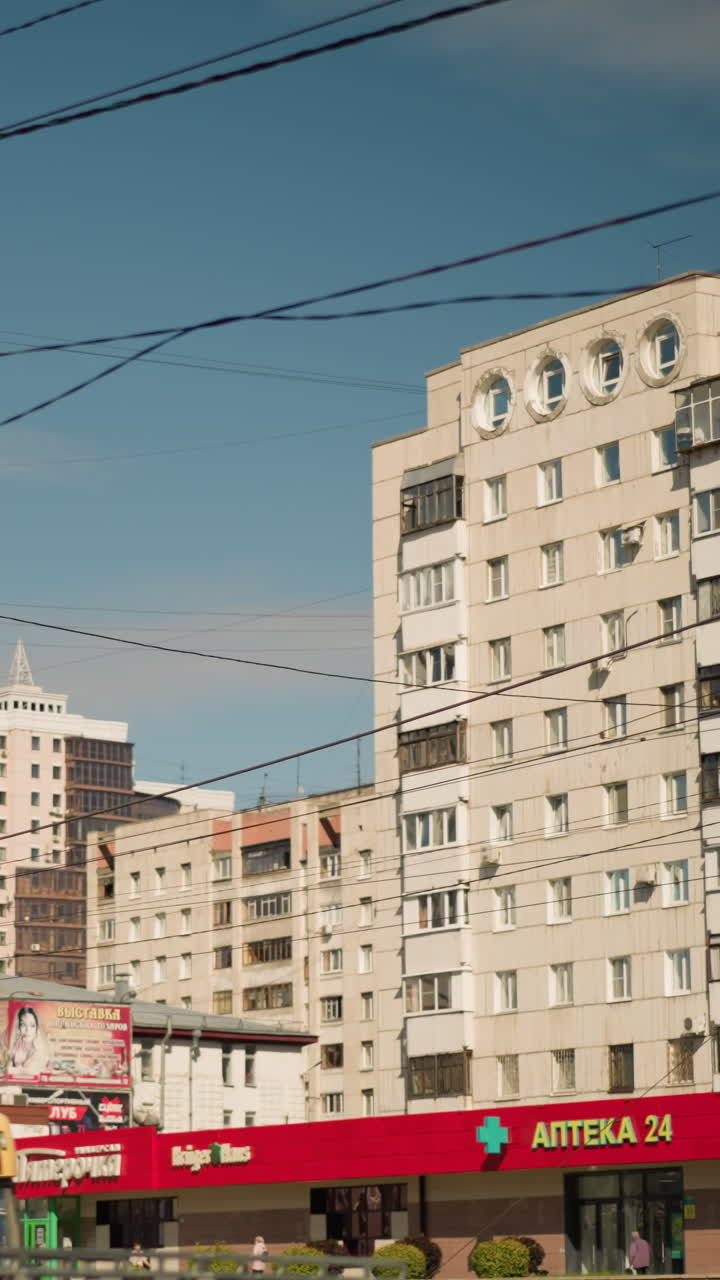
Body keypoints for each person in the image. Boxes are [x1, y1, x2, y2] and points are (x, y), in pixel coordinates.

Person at [8, 1006, 47, 1075]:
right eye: (23, 1024)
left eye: (32, 1025)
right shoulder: (16, 1044)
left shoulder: (40, 1048)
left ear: (37, 1027)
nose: (27, 1030)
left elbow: (34, 1072)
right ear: (18, 1027)